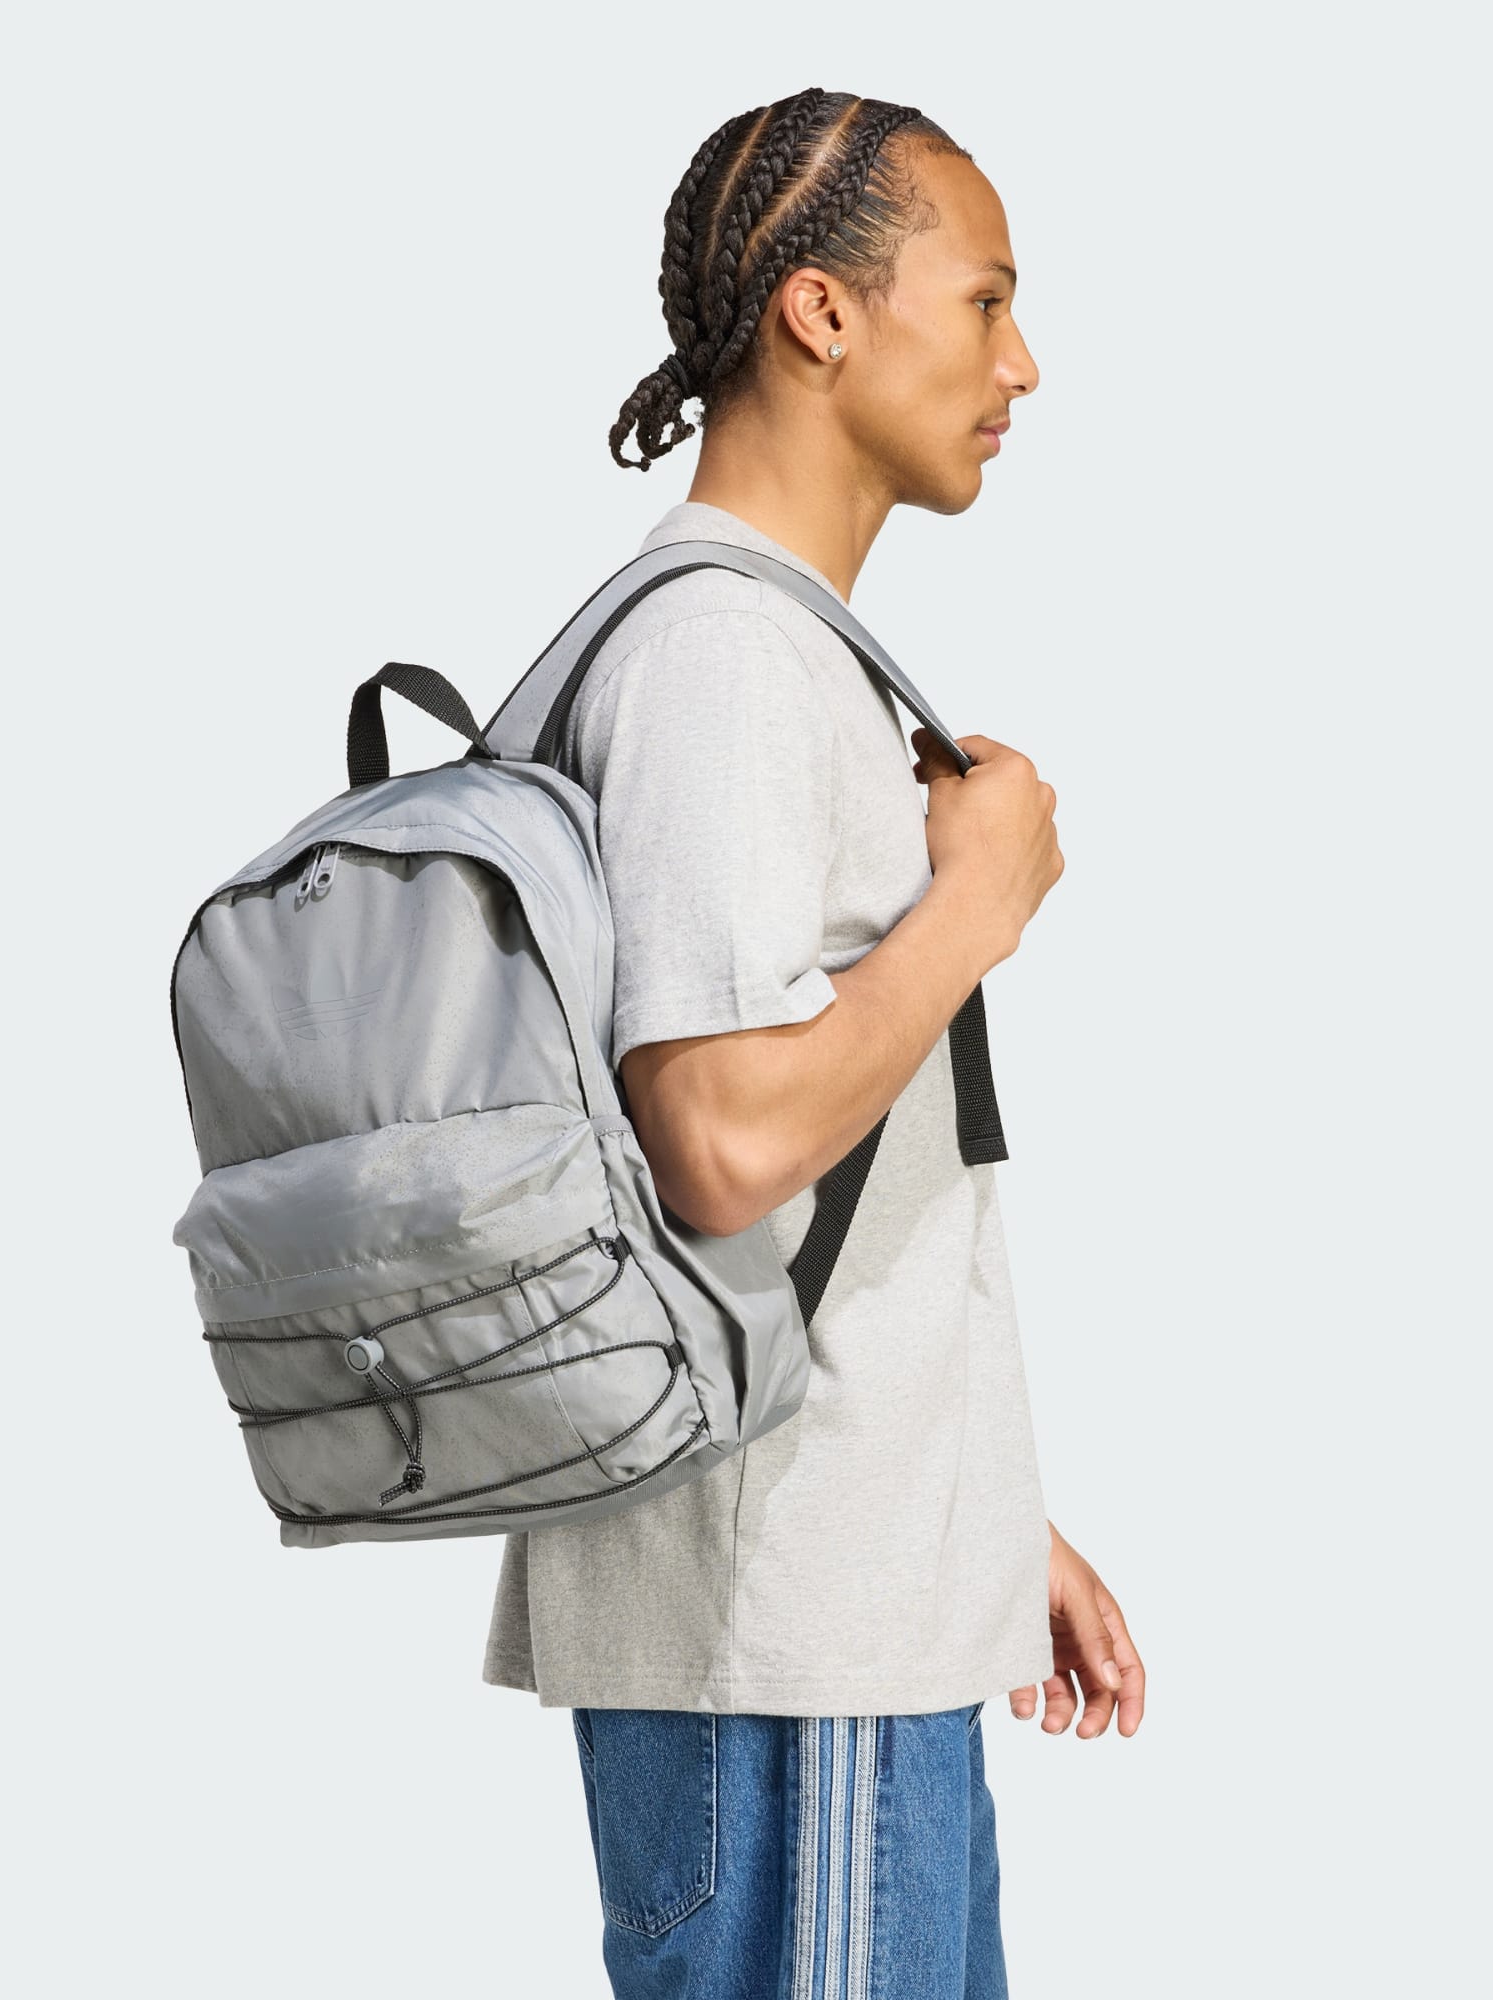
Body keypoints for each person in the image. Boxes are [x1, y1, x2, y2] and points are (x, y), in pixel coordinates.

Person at [481, 86, 1146, 1997]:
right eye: (985, 299)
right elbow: (719, 1142)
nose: (1022, 362)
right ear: (823, 312)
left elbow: (799, 1206)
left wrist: (986, 1516)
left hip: (835, 1613)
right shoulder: (722, 658)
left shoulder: (773, 650)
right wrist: (978, 903)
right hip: (790, 1652)